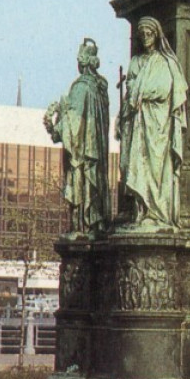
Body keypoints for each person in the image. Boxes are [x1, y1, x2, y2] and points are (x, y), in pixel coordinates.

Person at [118, 17, 188, 228]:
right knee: (137, 163)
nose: (146, 38)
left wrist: (142, 91)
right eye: (142, 35)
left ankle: (156, 212)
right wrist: (134, 92)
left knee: (156, 166)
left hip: (157, 124)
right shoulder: (136, 62)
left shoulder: (165, 62)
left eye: (149, 34)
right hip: (139, 122)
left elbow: (165, 88)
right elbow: (130, 85)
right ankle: (141, 210)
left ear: (156, 36)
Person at [44, 38, 111, 234]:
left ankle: (78, 227)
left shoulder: (81, 87)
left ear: (82, 62)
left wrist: (55, 122)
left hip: (81, 152)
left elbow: (71, 122)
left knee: (76, 186)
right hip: (96, 154)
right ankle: (93, 223)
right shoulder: (99, 89)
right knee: (91, 186)